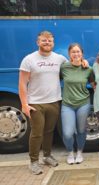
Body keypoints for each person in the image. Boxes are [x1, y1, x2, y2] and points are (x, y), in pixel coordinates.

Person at [18, 31, 67, 175]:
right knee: (37, 133)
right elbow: (22, 84)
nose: (47, 43)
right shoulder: (29, 59)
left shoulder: (59, 59)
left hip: (54, 101)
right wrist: (24, 104)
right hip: (35, 103)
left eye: (50, 41)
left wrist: (82, 62)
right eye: (44, 41)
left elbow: (73, 66)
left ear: (53, 43)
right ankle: (33, 161)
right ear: (38, 42)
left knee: (49, 131)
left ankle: (47, 156)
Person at [60, 43, 93, 165]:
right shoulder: (64, 68)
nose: (76, 54)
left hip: (83, 103)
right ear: (69, 54)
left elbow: (94, 84)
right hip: (67, 104)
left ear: (82, 54)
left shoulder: (88, 69)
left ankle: (79, 152)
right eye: (73, 52)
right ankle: (70, 152)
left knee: (81, 130)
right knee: (68, 133)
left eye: (78, 51)